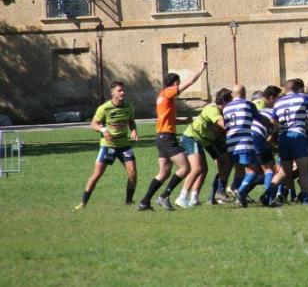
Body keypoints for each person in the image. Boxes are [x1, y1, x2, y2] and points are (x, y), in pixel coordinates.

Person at [137, 61, 207, 211]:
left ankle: (144, 202)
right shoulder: (168, 92)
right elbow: (190, 82)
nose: (179, 88)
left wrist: (184, 121)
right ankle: (164, 196)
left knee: (164, 172)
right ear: (175, 83)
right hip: (167, 138)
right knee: (185, 168)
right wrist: (201, 69)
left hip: (161, 137)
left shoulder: (163, 97)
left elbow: (168, 119)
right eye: (178, 84)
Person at [75, 81, 139, 209]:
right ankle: (83, 202)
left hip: (124, 145)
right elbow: (93, 124)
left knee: (133, 173)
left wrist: (133, 130)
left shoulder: (128, 106)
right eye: (119, 90)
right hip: (108, 145)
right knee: (97, 174)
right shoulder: (104, 108)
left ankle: (129, 201)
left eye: (123, 90)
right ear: (112, 93)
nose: (122, 93)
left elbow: (131, 121)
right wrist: (103, 130)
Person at [264, 78, 308, 206]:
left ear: (286, 89)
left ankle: (268, 193)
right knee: (303, 168)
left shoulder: (278, 103)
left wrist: (282, 125)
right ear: (297, 88)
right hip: (298, 135)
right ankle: (306, 198)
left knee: (284, 171)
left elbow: (273, 121)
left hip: (283, 137)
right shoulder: (302, 98)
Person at [175, 88, 232, 208]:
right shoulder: (212, 109)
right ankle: (182, 197)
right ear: (226, 102)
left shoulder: (220, 111)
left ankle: (194, 198)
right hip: (192, 137)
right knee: (197, 168)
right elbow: (222, 124)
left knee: (209, 167)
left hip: (206, 140)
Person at [223, 84, 272, 207]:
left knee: (240, 171)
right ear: (244, 94)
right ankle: (241, 192)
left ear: (232, 94)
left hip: (230, 143)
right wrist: (271, 124)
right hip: (244, 141)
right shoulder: (248, 105)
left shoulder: (226, 107)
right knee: (253, 171)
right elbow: (260, 118)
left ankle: (241, 199)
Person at [251, 86, 281, 204]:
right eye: (278, 98)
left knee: (257, 171)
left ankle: (240, 191)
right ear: (272, 98)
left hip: (251, 138)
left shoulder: (263, 109)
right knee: (269, 170)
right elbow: (273, 125)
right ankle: (269, 198)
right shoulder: (266, 107)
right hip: (258, 138)